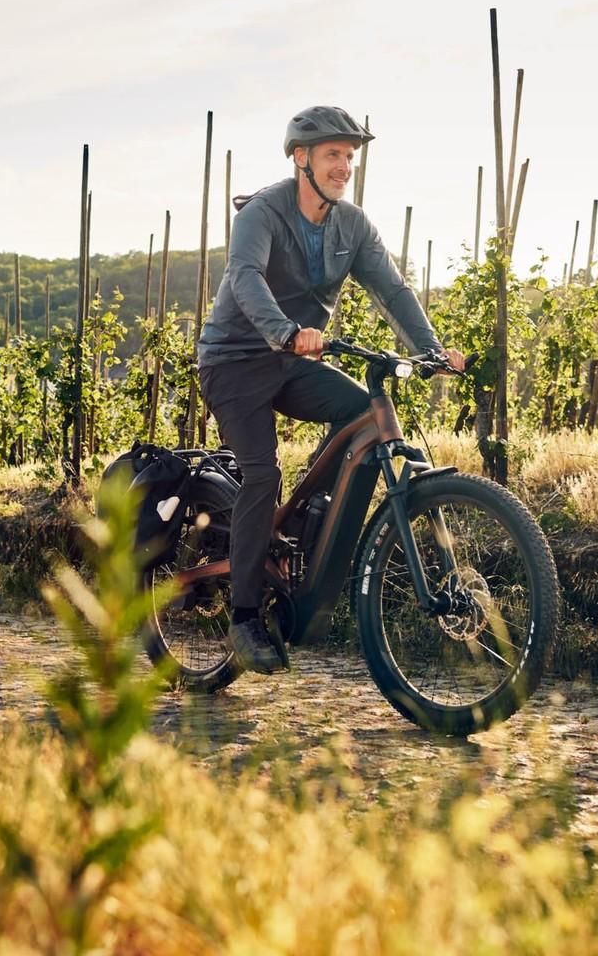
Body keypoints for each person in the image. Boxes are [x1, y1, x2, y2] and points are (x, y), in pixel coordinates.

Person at [197, 105, 465, 674]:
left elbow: (391, 290)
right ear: (302, 159)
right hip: (236, 361)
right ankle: (244, 618)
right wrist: (286, 333)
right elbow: (245, 278)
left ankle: (305, 526)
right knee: (261, 473)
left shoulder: (353, 226)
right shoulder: (261, 214)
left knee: (358, 412)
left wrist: (433, 349)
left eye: (349, 156)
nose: (344, 166)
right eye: (332, 155)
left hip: (292, 361)